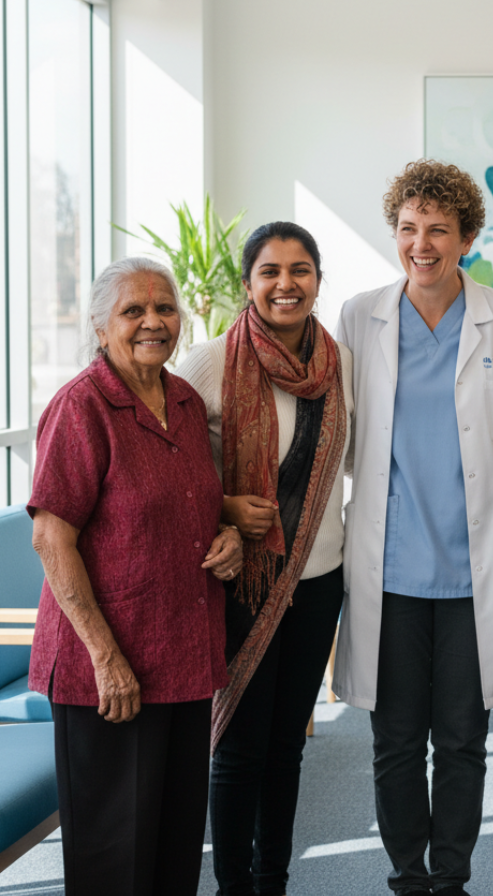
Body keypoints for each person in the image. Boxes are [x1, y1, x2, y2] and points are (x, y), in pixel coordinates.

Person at [333, 160, 493, 896]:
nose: (422, 244)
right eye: (409, 229)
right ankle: (406, 875)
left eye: (439, 230)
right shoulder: (360, 314)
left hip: (471, 564)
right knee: (392, 740)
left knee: (463, 739)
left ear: (467, 237)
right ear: (395, 232)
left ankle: (451, 876)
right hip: (388, 565)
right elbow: (343, 425)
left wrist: (471, 450)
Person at [27, 257, 241, 896]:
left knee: (174, 850)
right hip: (110, 671)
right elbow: (50, 536)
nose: (154, 321)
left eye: (165, 308)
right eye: (133, 311)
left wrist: (226, 537)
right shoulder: (81, 407)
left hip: (184, 659)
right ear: (99, 327)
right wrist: (104, 656)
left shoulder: (184, 398)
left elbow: (195, 503)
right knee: (113, 861)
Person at [176, 221, 353, 896]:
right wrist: (223, 507)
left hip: (319, 582)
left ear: (316, 278)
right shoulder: (208, 362)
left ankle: (272, 878)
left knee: (288, 746)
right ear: (248, 283)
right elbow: (168, 473)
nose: (287, 284)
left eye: (300, 269)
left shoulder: (338, 365)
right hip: (243, 583)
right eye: (271, 271)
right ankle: (232, 885)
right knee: (241, 746)